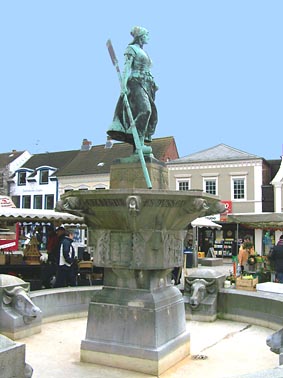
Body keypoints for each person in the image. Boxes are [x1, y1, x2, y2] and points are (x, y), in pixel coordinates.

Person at [107, 26, 158, 154]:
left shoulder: (143, 51)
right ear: (140, 36)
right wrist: (123, 86)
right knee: (145, 110)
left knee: (152, 115)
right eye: (146, 34)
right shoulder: (132, 49)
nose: (148, 37)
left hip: (147, 84)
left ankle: (139, 143)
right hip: (136, 83)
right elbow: (126, 68)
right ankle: (135, 139)